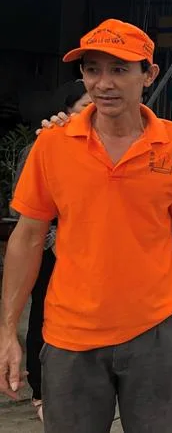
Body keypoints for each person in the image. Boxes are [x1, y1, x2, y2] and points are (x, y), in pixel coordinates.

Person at [0, 19, 172, 431]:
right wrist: (8, 331)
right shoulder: (53, 144)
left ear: (149, 74)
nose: (104, 83)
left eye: (119, 69)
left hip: (154, 332)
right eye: (92, 69)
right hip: (70, 335)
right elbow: (28, 237)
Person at [9, 80, 91, 422]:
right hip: (48, 250)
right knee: (43, 313)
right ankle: (41, 390)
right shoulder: (44, 145)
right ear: (66, 110)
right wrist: (54, 236)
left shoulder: (106, 148)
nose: (93, 112)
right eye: (84, 106)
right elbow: (22, 210)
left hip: (88, 251)